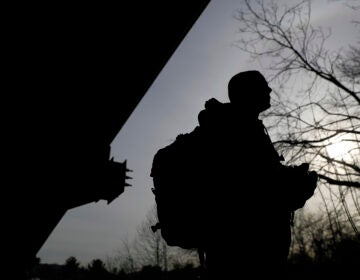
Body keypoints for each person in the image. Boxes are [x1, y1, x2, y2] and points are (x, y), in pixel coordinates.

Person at [195, 70, 297, 279]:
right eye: (262, 86)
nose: (269, 90)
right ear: (247, 92)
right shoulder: (233, 130)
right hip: (244, 253)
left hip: (255, 251)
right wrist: (290, 185)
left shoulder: (247, 128)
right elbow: (251, 191)